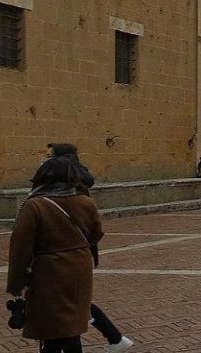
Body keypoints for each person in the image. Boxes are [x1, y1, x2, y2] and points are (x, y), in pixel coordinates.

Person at [7, 156, 105, 353]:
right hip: (80, 268)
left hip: (49, 270)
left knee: (55, 326)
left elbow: (20, 246)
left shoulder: (35, 205)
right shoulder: (85, 202)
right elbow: (97, 234)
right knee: (68, 325)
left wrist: (16, 284)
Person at [44, 144, 132, 351]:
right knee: (71, 307)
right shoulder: (78, 181)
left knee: (68, 308)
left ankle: (115, 338)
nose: (46, 160)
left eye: (49, 156)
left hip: (66, 257)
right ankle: (115, 339)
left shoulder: (67, 187)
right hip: (79, 254)